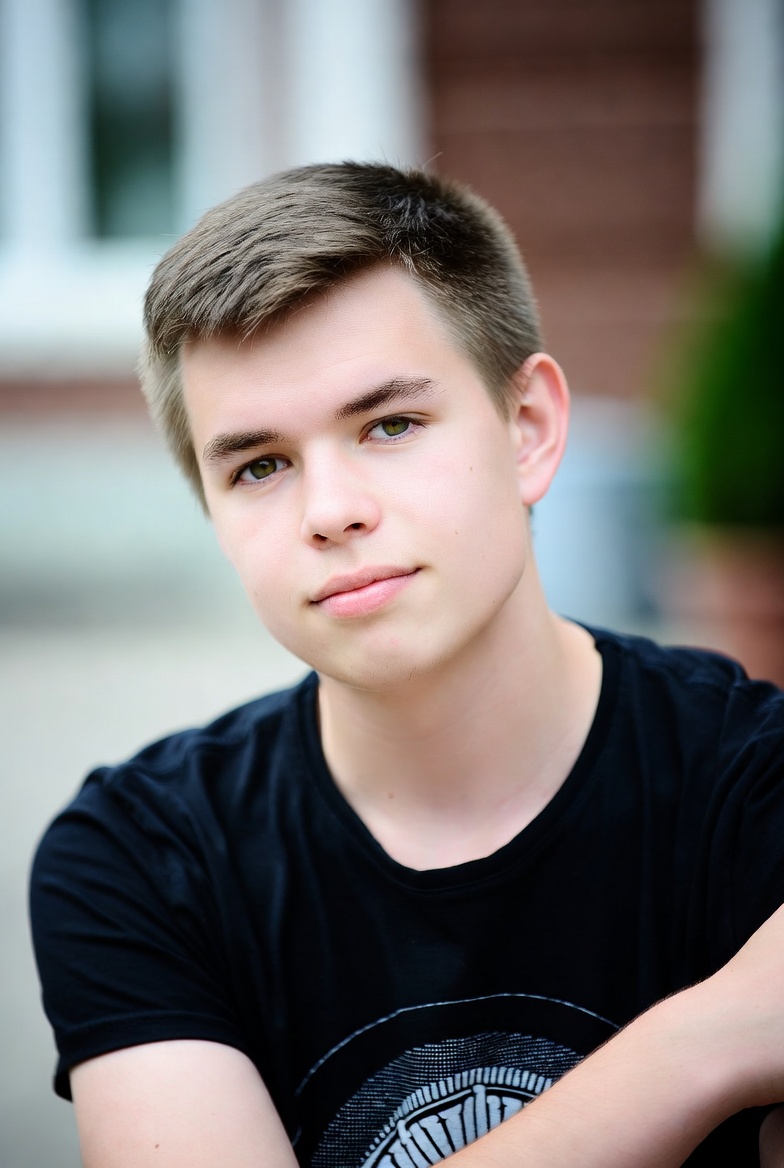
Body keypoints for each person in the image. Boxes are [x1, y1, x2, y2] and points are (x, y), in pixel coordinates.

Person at [30, 162, 784, 1167]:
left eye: (388, 424)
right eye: (259, 465)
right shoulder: (139, 860)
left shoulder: (755, 789)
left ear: (529, 430)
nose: (329, 509)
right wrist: (703, 1044)